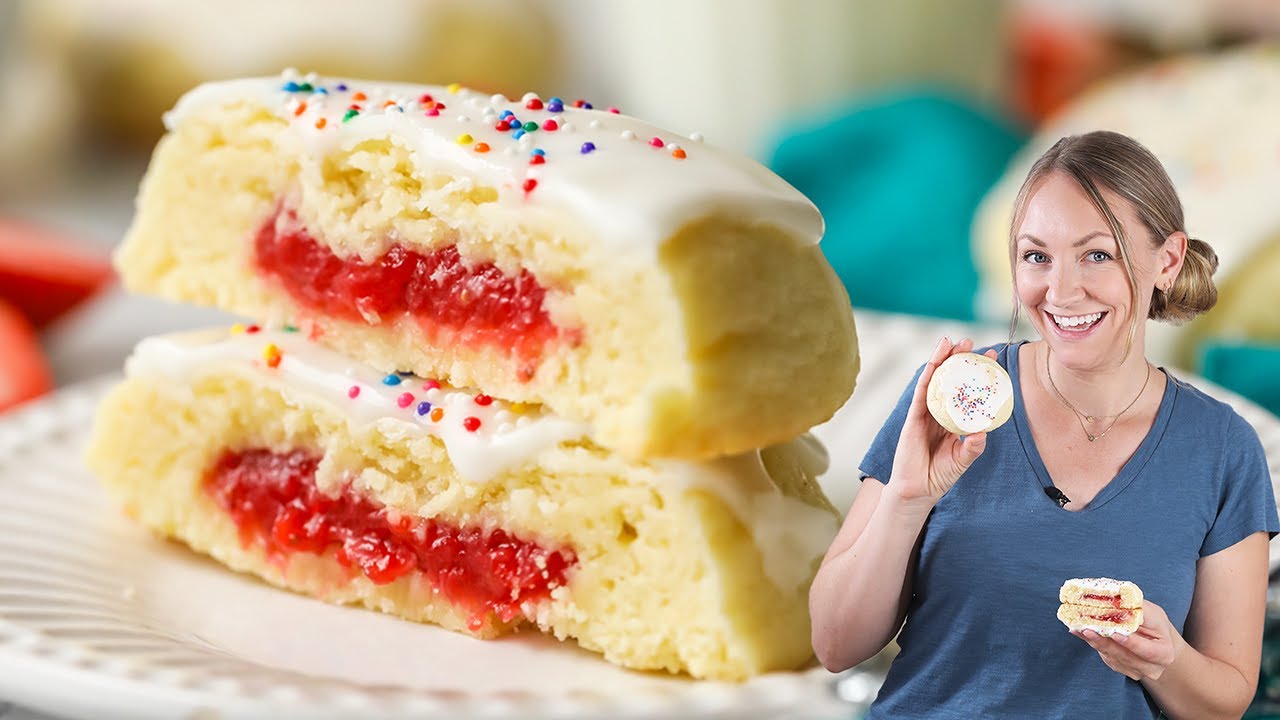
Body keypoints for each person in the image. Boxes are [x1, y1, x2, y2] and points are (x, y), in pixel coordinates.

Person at [810, 130, 1279, 719]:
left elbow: (1225, 702)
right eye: (1037, 256)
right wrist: (906, 498)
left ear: (1168, 260)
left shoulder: (1223, 447)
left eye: (1097, 255)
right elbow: (834, 645)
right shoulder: (958, 400)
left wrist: (1163, 660)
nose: (1060, 290)